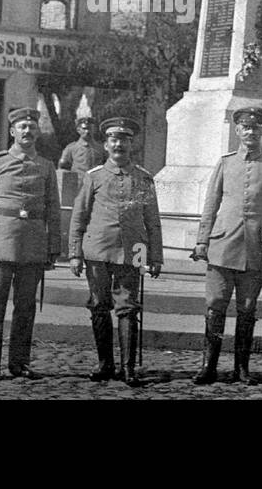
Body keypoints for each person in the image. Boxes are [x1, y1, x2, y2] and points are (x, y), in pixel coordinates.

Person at [190, 106, 262, 385]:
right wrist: (201, 241)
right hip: (222, 246)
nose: (251, 132)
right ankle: (209, 365)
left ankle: (241, 368)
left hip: (254, 249)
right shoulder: (225, 163)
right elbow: (210, 206)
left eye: (256, 128)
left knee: (247, 309)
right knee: (215, 306)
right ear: (237, 131)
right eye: (246, 127)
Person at [68, 116, 163, 386]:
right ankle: (105, 364)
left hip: (133, 252)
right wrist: (75, 253)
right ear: (106, 144)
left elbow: (152, 220)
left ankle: (128, 368)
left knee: (128, 308)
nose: (118, 144)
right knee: (99, 306)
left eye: (124, 139)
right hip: (97, 251)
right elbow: (79, 217)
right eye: (113, 139)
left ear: (131, 144)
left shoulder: (144, 179)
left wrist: (154, 257)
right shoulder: (94, 177)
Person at [0, 106, 61, 382]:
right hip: (1, 244)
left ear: (38, 131)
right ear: (12, 131)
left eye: (33, 126)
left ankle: (19, 363)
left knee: (25, 309)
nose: (28, 131)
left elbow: (53, 210)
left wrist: (53, 247)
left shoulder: (46, 167)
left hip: (32, 246)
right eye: (22, 127)